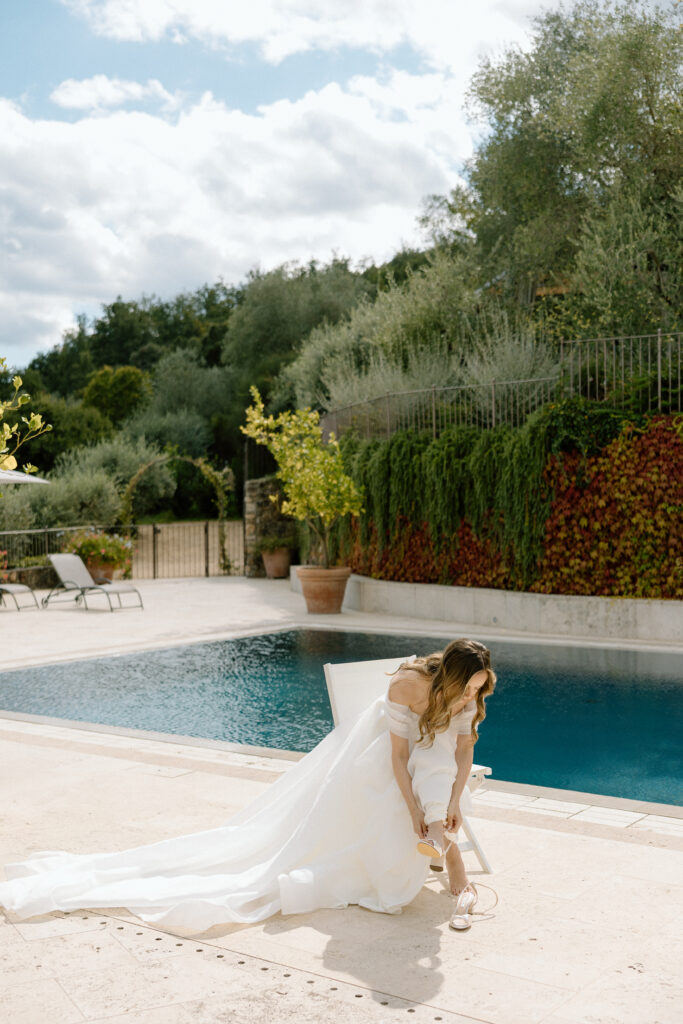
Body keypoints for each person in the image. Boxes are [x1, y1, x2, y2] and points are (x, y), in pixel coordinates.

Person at [0, 638, 495, 934]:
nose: (474, 694)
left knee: (440, 769)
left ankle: (442, 838)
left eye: (480, 686)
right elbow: (397, 756)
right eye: (468, 686)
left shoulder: (468, 694)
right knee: (412, 786)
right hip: (382, 755)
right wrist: (412, 810)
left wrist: (455, 797)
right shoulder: (408, 684)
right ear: (448, 676)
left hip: (433, 754)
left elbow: (463, 747)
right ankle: (441, 844)